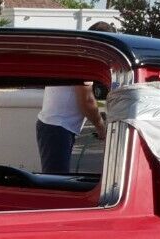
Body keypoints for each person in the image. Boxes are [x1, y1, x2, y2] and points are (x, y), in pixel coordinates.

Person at [36, 19, 116, 174]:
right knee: (56, 184)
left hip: (55, 126)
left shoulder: (76, 54)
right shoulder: (84, 61)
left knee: (56, 179)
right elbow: (86, 101)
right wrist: (101, 127)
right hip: (57, 127)